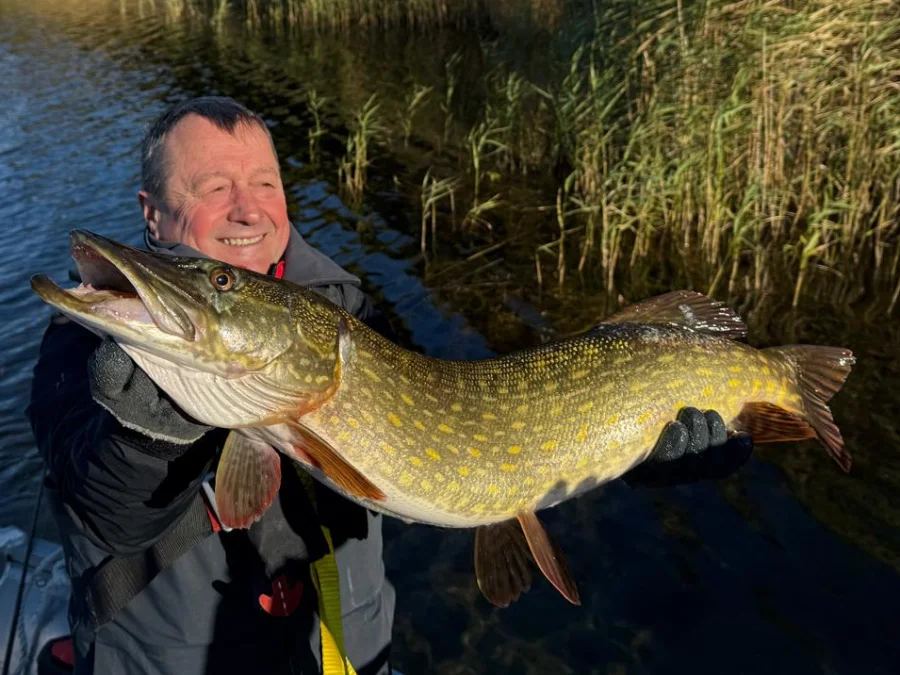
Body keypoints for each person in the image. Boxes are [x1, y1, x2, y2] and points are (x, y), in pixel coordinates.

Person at [27, 96, 752, 675]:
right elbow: (109, 511)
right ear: (152, 213)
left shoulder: (352, 310)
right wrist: (148, 422)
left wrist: (651, 442)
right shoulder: (90, 343)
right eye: (214, 188)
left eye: (265, 185)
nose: (248, 209)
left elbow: (495, 421)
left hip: (350, 652)